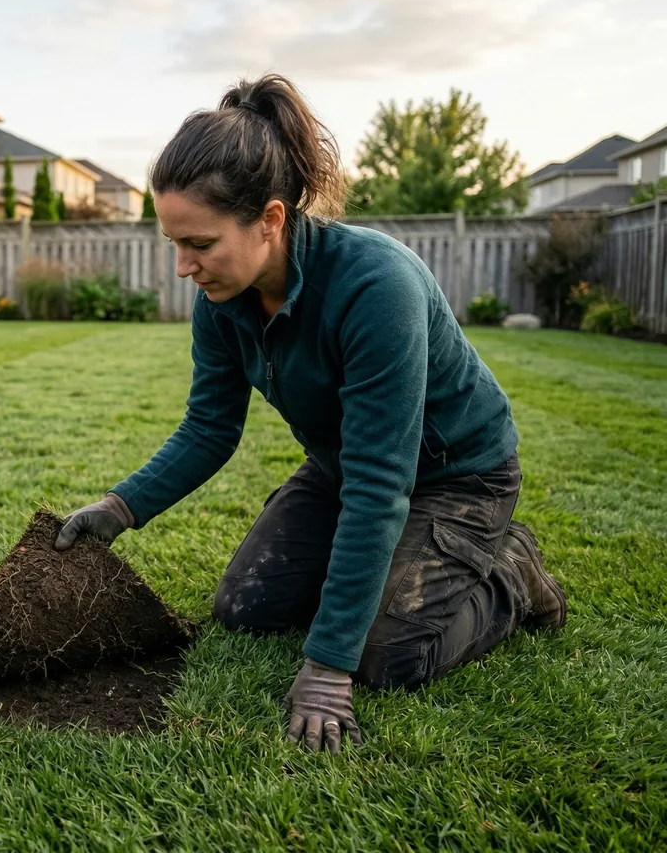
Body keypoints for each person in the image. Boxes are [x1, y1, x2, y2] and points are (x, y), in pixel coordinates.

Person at [54, 74, 567, 755]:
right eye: (175, 243)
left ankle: (510, 569)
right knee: (246, 607)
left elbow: (381, 485)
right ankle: (395, 571)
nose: (183, 266)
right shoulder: (221, 303)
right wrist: (121, 507)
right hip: (338, 470)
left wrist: (328, 668)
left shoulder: (375, 286)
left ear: (270, 220)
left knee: (388, 657)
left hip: (457, 477)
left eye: (201, 244)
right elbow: (209, 429)